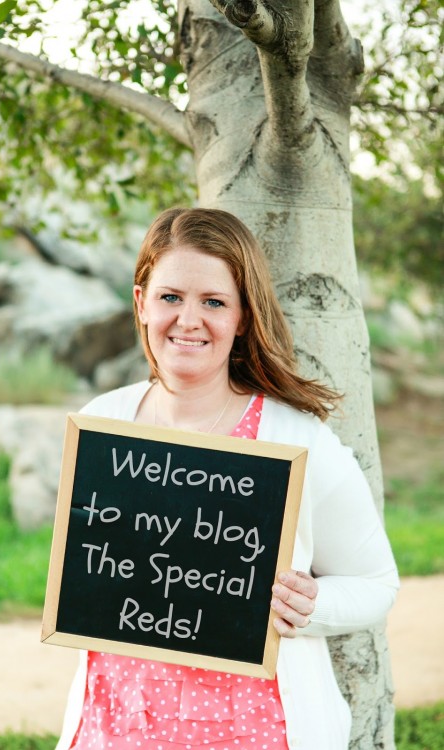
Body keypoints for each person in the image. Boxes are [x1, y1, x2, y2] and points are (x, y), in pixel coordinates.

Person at [56, 207, 399, 750]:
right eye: (171, 297)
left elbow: (377, 585)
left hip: (252, 732)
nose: (188, 320)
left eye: (213, 302)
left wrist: (311, 606)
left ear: (242, 317)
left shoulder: (297, 440)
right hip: (118, 725)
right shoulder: (104, 422)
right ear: (141, 302)